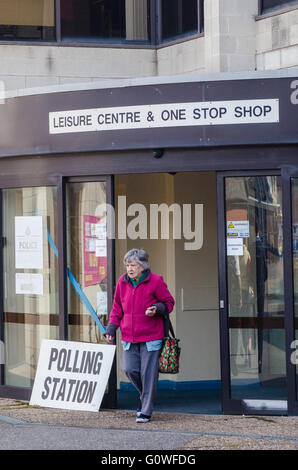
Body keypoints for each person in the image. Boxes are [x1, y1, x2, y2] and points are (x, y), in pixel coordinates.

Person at [105, 248, 175, 423]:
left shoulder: (156, 281)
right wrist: (111, 329)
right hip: (129, 336)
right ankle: (145, 397)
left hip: (151, 337)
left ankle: (146, 411)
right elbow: (117, 308)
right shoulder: (122, 282)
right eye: (127, 265)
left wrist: (157, 309)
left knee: (148, 374)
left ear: (142, 266)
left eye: (133, 265)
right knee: (129, 369)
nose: (129, 268)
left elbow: (169, 302)